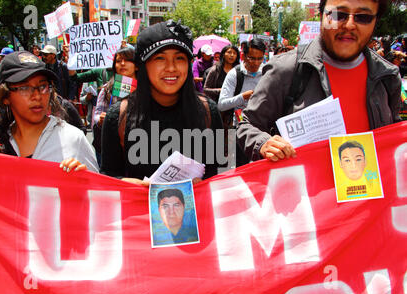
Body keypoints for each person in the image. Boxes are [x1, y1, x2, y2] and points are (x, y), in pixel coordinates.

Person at [237, 0, 401, 163]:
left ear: (375, 21)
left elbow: (394, 140)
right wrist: (263, 143)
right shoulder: (286, 69)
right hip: (302, 187)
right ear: (322, 15)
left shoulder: (387, 76)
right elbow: (246, 125)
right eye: (338, 15)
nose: (350, 25)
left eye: (363, 17)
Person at [100, 20, 223, 186]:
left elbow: (215, 175)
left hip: (196, 210)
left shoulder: (208, 111)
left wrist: (202, 184)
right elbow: (108, 177)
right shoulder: (118, 115)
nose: (171, 68)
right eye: (159, 58)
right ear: (142, 66)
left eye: (179, 58)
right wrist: (127, 184)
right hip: (137, 210)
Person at [0, 51, 98, 173]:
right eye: (25, 88)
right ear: (5, 97)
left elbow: (100, 190)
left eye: (43, 87)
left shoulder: (72, 139)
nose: (37, 96)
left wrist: (84, 181)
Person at [93, 46, 137, 165]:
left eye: (127, 60)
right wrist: (102, 119)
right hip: (112, 146)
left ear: (137, 64)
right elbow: (96, 116)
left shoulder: (147, 87)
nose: (122, 64)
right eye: (118, 61)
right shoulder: (108, 89)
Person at [218, 38, 265, 126]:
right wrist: (243, 97)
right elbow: (221, 105)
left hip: (260, 127)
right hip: (236, 127)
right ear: (243, 57)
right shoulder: (235, 74)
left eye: (260, 58)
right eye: (252, 58)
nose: (256, 63)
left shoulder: (266, 72)